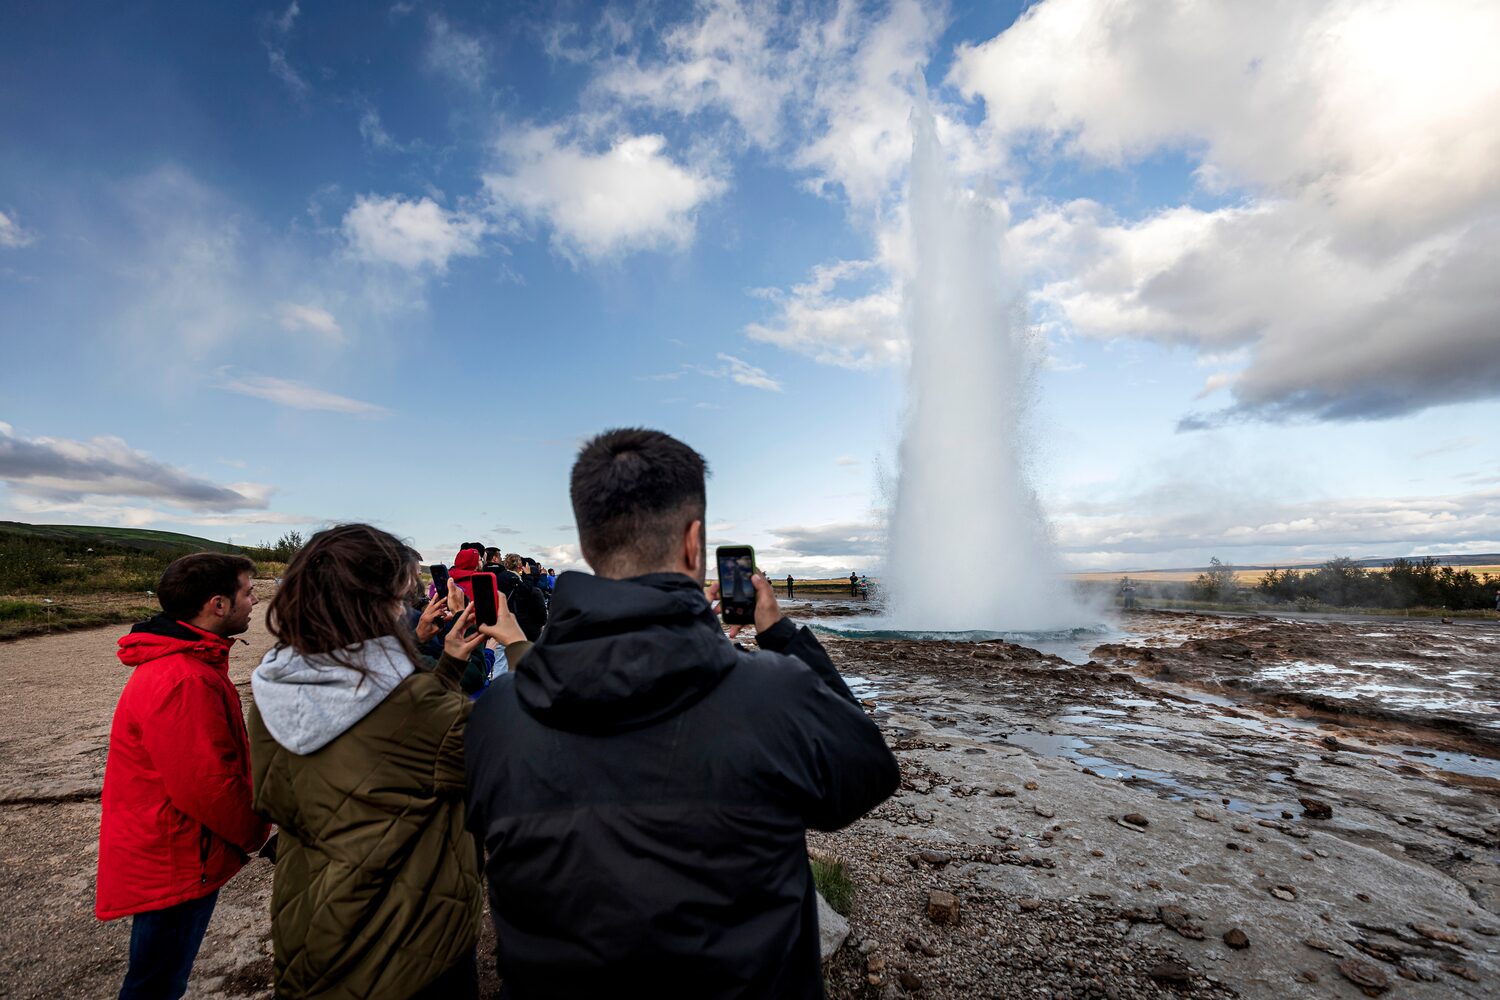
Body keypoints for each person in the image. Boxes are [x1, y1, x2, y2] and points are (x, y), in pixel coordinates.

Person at [465, 428, 898, 999]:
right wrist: (781, 634)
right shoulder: (776, 693)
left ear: (591, 541)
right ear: (694, 543)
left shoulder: (497, 717)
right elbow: (868, 777)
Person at [248, 524, 506, 999]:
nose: (407, 609)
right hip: (410, 952)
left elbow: (386, 749)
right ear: (379, 605)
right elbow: (528, 759)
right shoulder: (421, 713)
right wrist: (516, 645)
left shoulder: (276, 688)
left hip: (312, 928)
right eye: (403, 596)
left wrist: (446, 666)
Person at [97, 553, 272, 1000]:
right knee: (155, 982)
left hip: (173, 844)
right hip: (175, 853)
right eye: (247, 593)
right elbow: (206, 785)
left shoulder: (187, 661)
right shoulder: (183, 677)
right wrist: (259, 833)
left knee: (158, 974)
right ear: (217, 604)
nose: (254, 602)